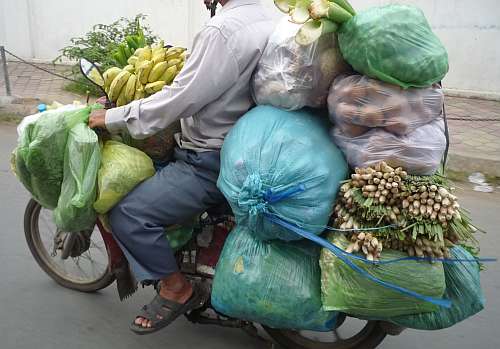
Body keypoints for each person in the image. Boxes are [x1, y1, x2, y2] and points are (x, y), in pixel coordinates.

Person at [88, 0, 274, 335]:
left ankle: (177, 288)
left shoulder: (222, 30)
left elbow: (181, 97)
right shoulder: (264, 18)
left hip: (210, 160)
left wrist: (115, 117)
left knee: (128, 214)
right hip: (246, 149)